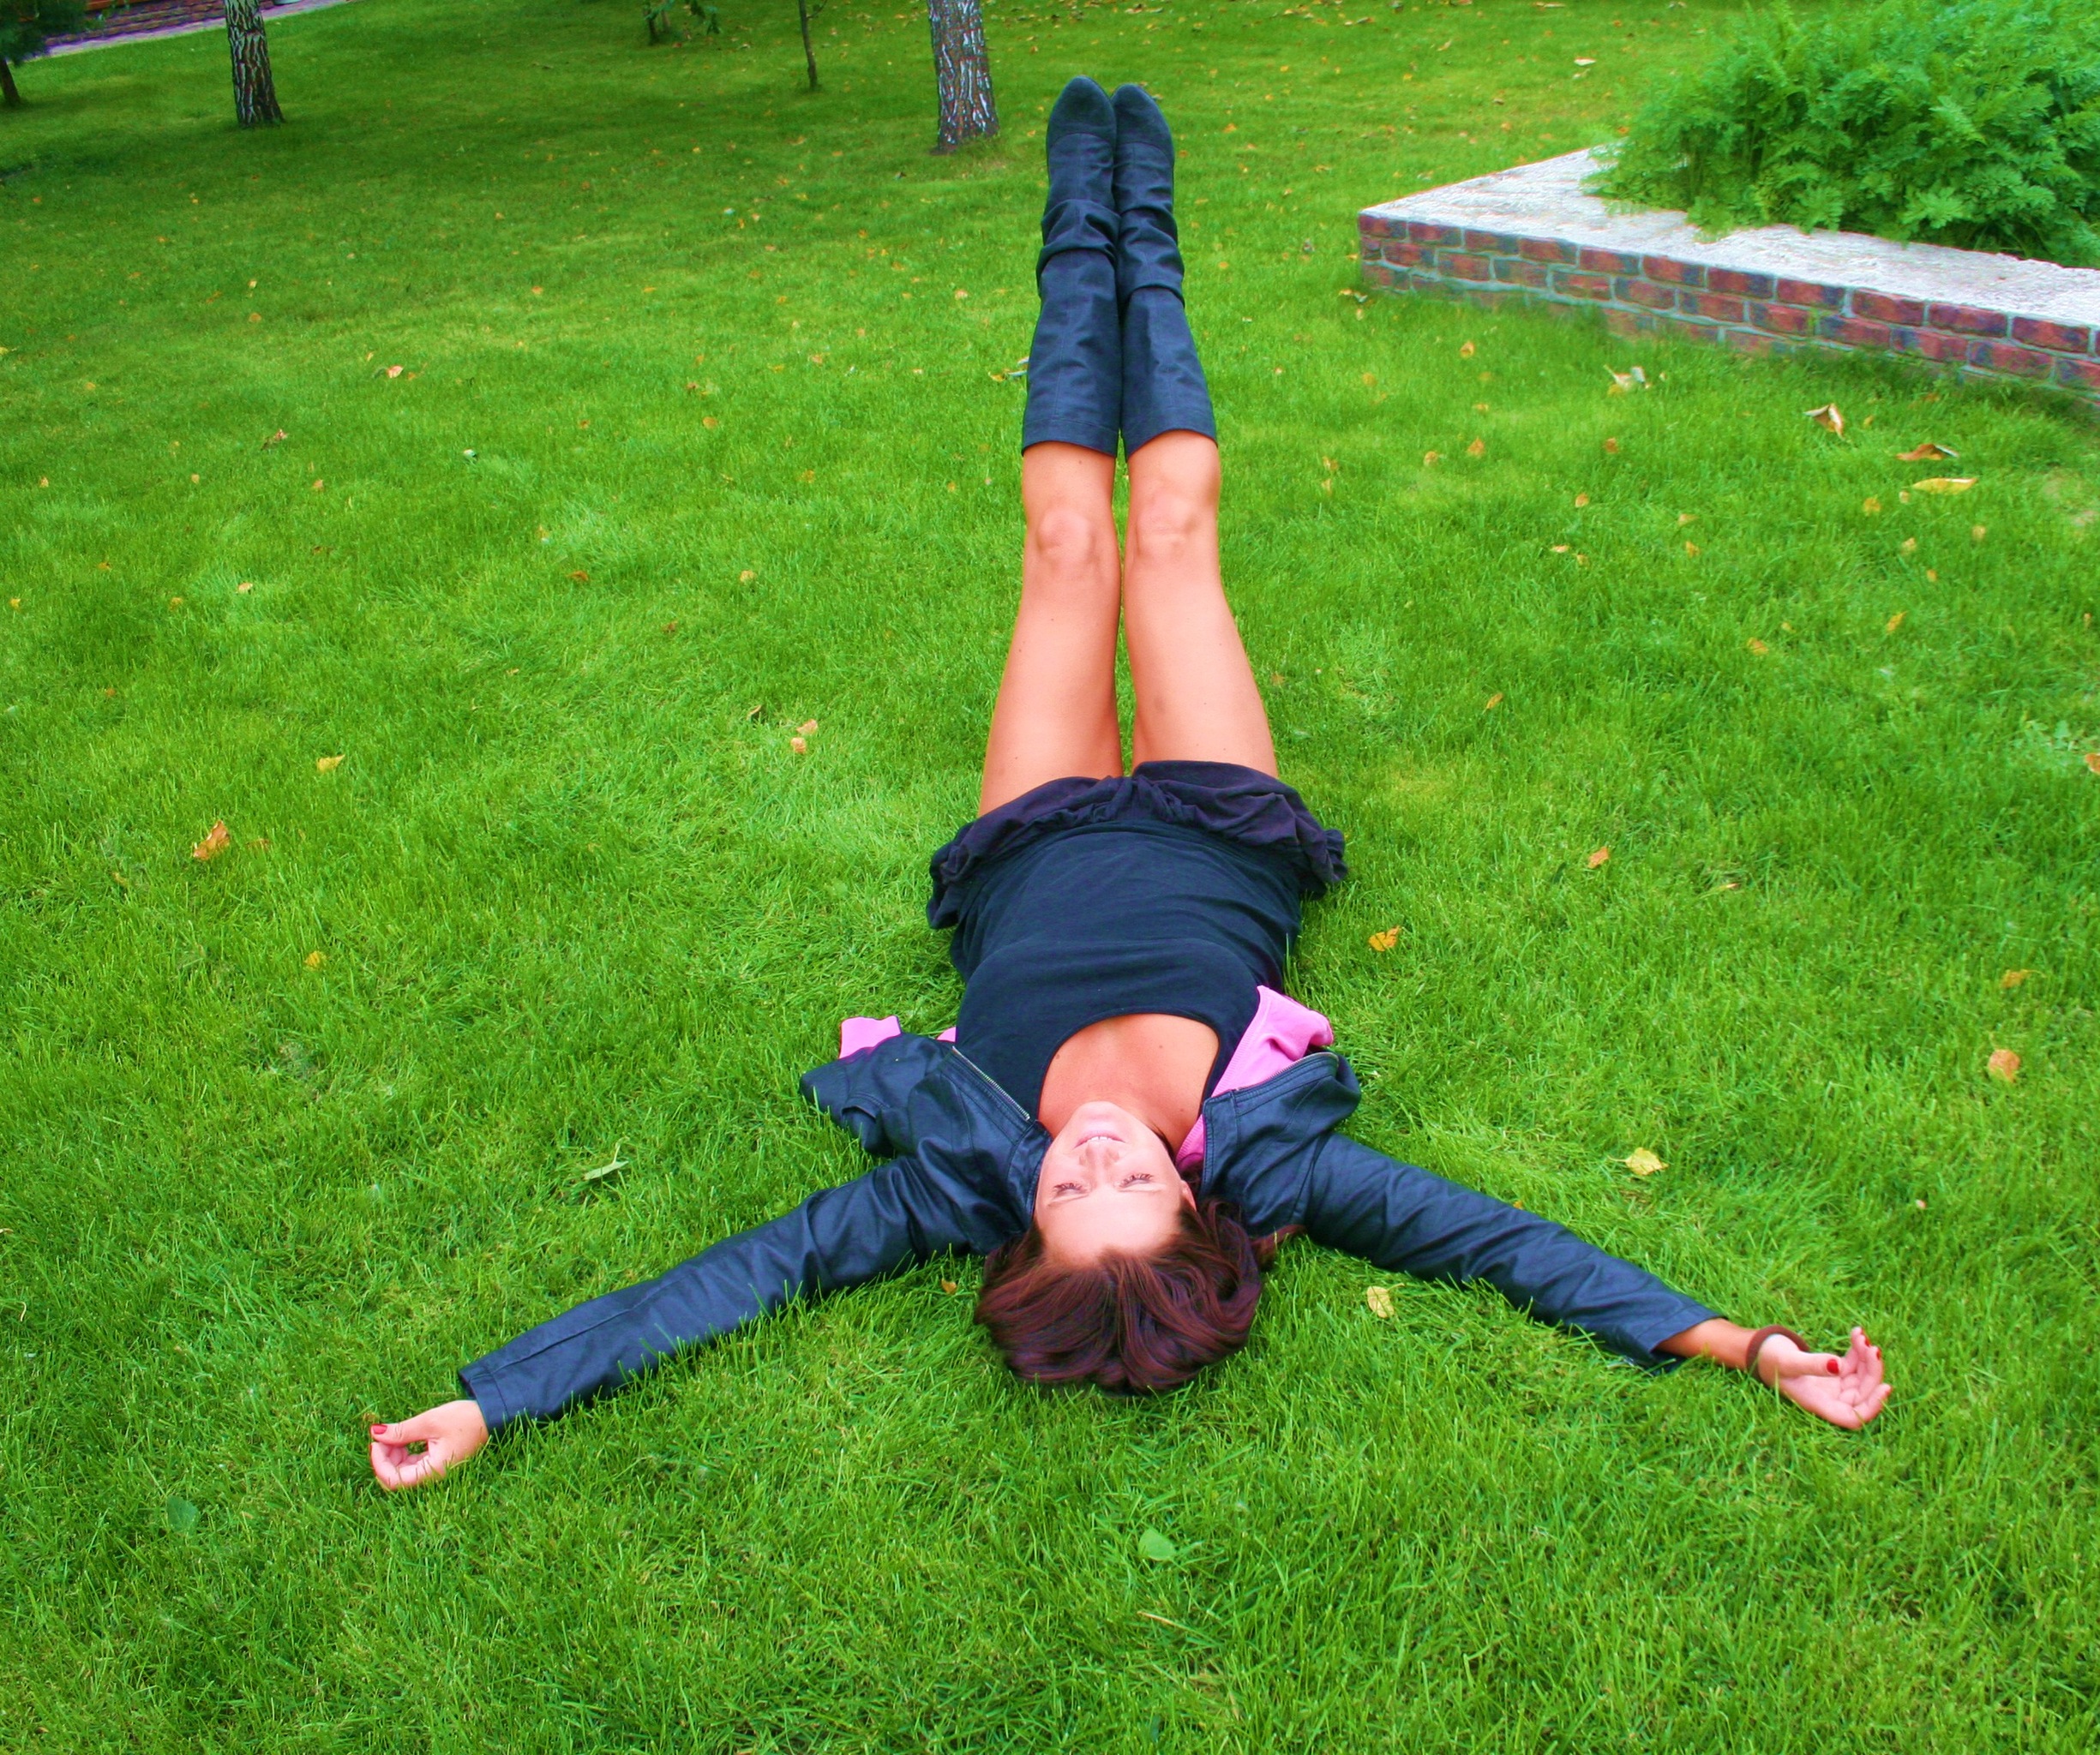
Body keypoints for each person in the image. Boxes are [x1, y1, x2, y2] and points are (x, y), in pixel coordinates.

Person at [369, 79, 1889, 1492]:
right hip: (1216, 831)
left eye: (1067, 1199)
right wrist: (1745, 1345)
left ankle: (1072, 227)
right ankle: (1141, 228)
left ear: (1019, 1227)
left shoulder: (958, 1175)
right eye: (1132, 1194)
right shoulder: (1277, 1163)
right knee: (1167, 526)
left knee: (1061, 543)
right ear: (1194, 1210)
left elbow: (739, 1278)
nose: (1094, 1162)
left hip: (1031, 844)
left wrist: (496, 1401)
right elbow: (1496, 1245)